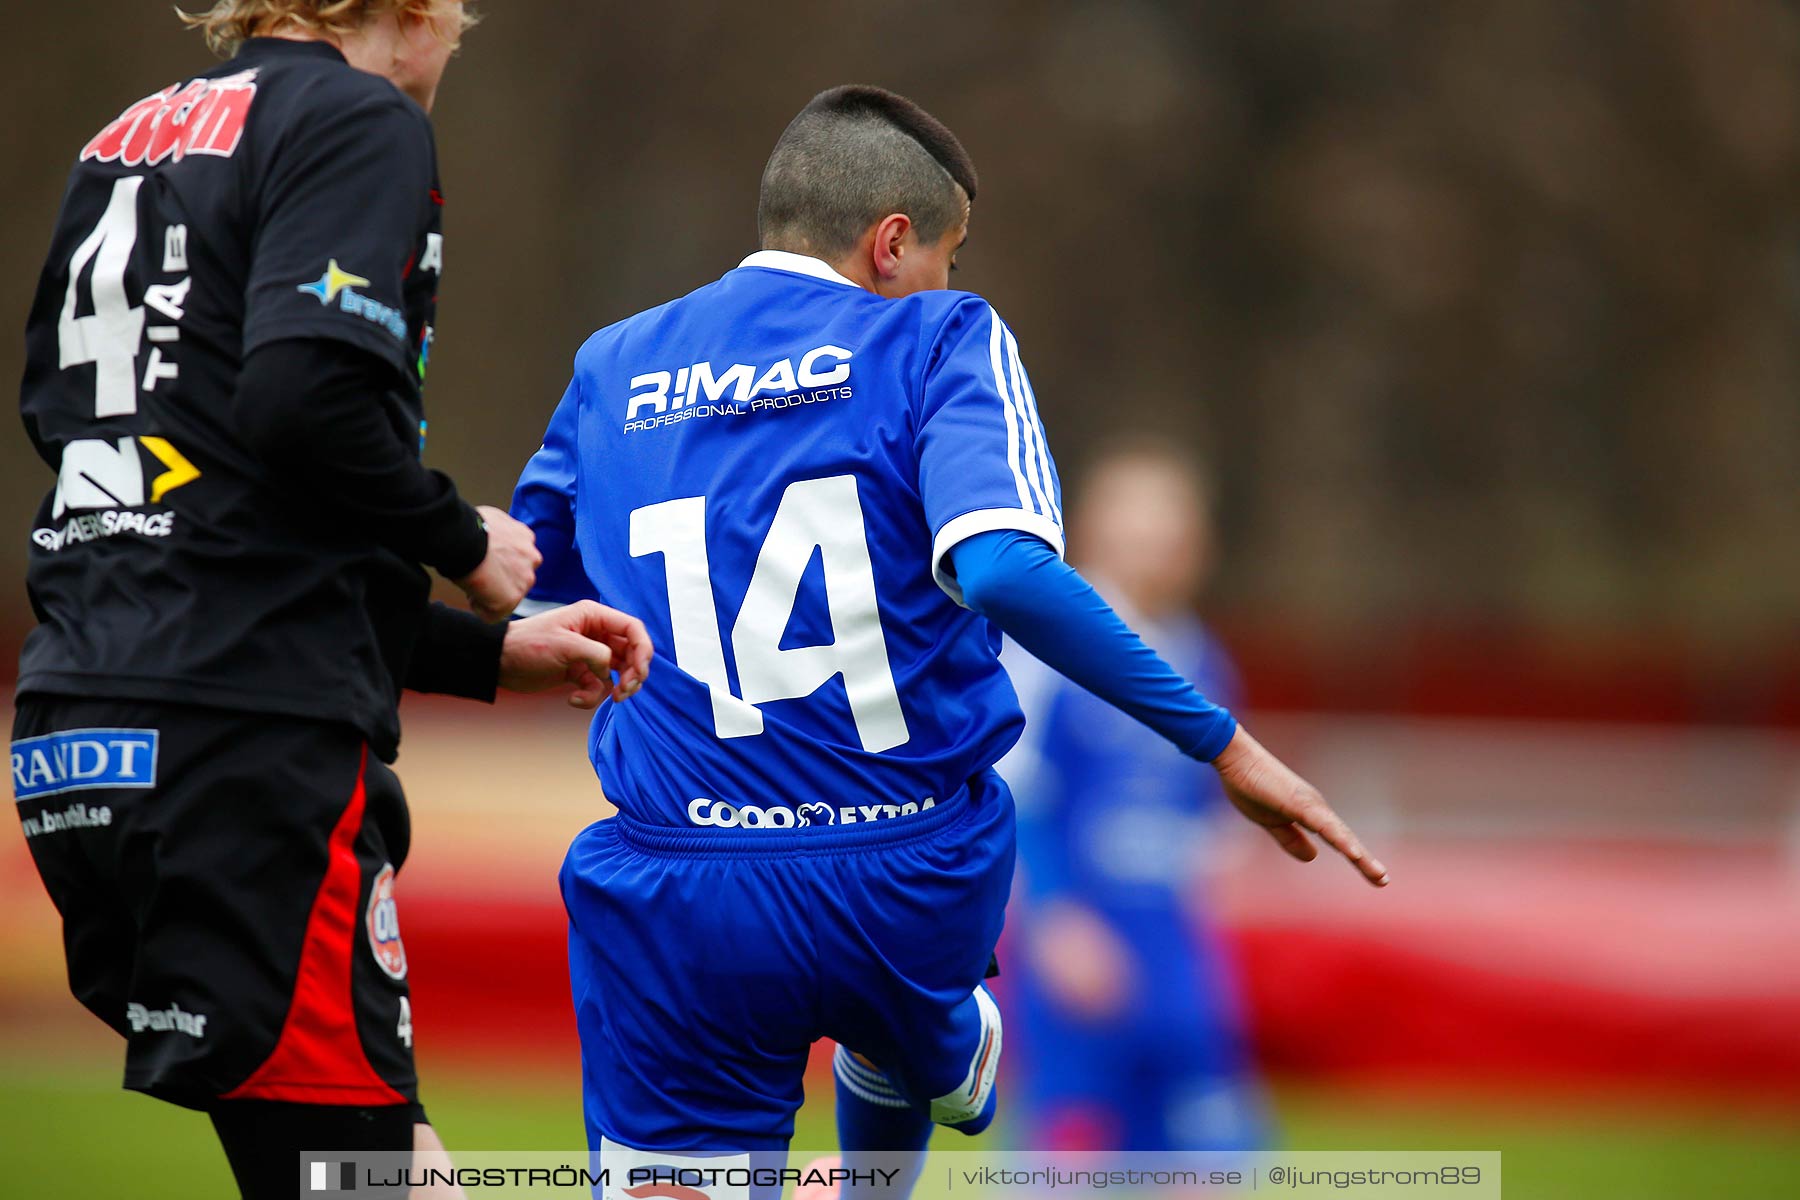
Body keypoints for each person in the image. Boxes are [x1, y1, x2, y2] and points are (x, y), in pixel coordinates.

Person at [509, 85, 1385, 1198]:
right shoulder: (937, 334)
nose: (950, 282)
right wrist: (1221, 745)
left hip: (684, 884)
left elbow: (519, 587)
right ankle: (928, 1037)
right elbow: (1005, 567)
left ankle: (918, 1034)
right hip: (906, 872)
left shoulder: (614, 365)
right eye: (949, 256)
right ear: (891, 244)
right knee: (917, 972)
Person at [12, 3, 650, 1197]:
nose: (460, 37)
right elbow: (304, 400)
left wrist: (479, 655)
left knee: (359, 1161)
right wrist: (465, 542)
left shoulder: (124, 141)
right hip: (246, 758)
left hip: (79, 737)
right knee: (357, 1165)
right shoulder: (359, 115)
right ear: (409, 13)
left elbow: (209, 520)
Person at [1000, 443, 1269, 1153]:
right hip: (1081, 942)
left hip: (1175, 949)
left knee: (1214, 1151)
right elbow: (1018, 796)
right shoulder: (1049, 649)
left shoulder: (1204, 658)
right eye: (1136, 534)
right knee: (1073, 1152)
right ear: (1093, 534)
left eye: (1169, 536)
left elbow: (1207, 810)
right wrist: (1055, 918)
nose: (1155, 553)